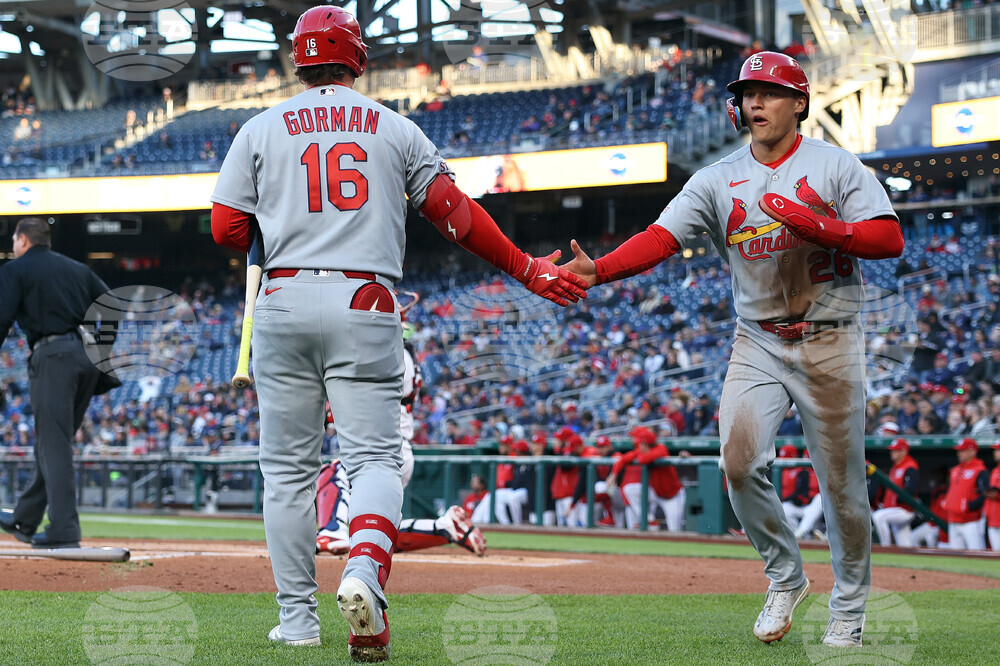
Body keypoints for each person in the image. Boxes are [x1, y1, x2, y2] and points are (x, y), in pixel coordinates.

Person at [210, 6, 586, 661]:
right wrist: (526, 268)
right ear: (358, 59)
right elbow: (455, 215)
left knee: (288, 475)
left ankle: (297, 621)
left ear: (297, 60)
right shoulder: (393, 127)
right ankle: (362, 570)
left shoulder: (259, 128)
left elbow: (225, 230)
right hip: (366, 296)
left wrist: (266, 233)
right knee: (374, 460)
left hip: (283, 297)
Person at [564, 51, 904, 647]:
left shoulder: (835, 164)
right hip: (759, 340)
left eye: (769, 92)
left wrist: (827, 229)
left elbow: (889, 237)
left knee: (844, 490)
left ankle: (848, 608)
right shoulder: (717, 178)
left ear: (799, 102)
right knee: (741, 464)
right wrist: (603, 271)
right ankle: (786, 577)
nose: (755, 102)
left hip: (830, 338)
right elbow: (661, 238)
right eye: (748, 93)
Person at [0, 218, 116, 549]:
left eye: (13, 239)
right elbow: (111, 303)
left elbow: (2, 319)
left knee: (54, 446)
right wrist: (101, 349)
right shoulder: (76, 268)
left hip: (53, 358)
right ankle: (25, 517)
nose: (13, 245)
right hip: (86, 358)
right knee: (53, 442)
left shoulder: (15, 269)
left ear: (23, 239)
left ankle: (64, 530)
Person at [315, 459, 486, 557]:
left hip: (380, 448)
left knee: (334, 469)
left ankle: (332, 531)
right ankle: (444, 528)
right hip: (392, 449)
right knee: (374, 533)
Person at [871, 438, 920, 547]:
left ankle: (886, 546)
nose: (891, 453)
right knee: (904, 543)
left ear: (903, 451)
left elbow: (910, 490)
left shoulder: (910, 466)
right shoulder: (896, 466)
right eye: (892, 450)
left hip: (904, 509)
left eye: (895, 450)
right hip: (895, 508)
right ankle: (908, 559)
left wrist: (898, 499)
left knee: (878, 516)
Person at [943, 438, 989, 550]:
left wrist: (970, 506)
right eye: (959, 450)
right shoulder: (954, 470)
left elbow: (985, 493)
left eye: (963, 450)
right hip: (953, 519)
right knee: (955, 557)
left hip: (971, 521)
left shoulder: (980, 469)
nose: (959, 453)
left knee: (977, 554)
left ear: (973, 451)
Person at [984, 440, 1000, 552]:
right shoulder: (995, 471)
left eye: (998, 450)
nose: (995, 452)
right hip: (993, 519)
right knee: (995, 555)